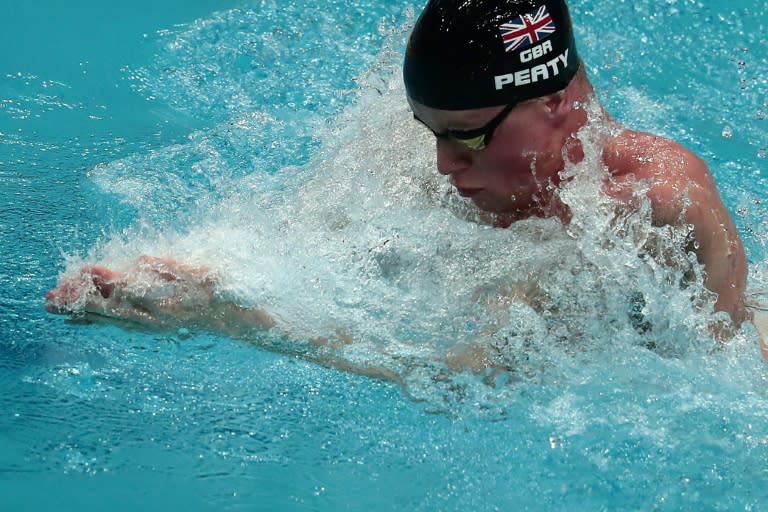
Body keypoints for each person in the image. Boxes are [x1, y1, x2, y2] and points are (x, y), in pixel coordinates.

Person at [46, 0, 755, 363]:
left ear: (557, 104)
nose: (443, 166)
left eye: (467, 137)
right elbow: (305, 243)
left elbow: (468, 376)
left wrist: (233, 319)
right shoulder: (455, 145)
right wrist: (192, 274)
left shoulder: (650, 205)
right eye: (430, 131)